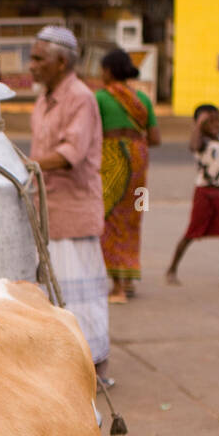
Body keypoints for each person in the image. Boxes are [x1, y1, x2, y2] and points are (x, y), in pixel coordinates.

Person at [30, 25, 112, 382]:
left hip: (73, 210)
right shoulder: (44, 97)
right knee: (52, 291)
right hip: (48, 210)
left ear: (61, 62)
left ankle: (94, 367)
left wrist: (25, 165)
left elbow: (70, 154)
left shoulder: (80, 97)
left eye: (37, 59)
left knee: (81, 293)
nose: (30, 66)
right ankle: (63, 365)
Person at [96, 47, 161, 303]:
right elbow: (155, 138)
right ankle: (130, 277)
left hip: (112, 159)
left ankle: (118, 287)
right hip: (139, 162)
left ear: (110, 71)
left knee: (110, 218)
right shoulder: (142, 100)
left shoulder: (100, 98)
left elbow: (92, 132)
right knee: (132, 219)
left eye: (102, 69)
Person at [165, 104, 219, 287]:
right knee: (191, 234)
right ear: (200, 124)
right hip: (204, 193)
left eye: (217, 120)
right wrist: (199, 124)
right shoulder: (201, 141)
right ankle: (172, 269)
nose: (216, 124)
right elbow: (192, 146)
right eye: (210, 122)